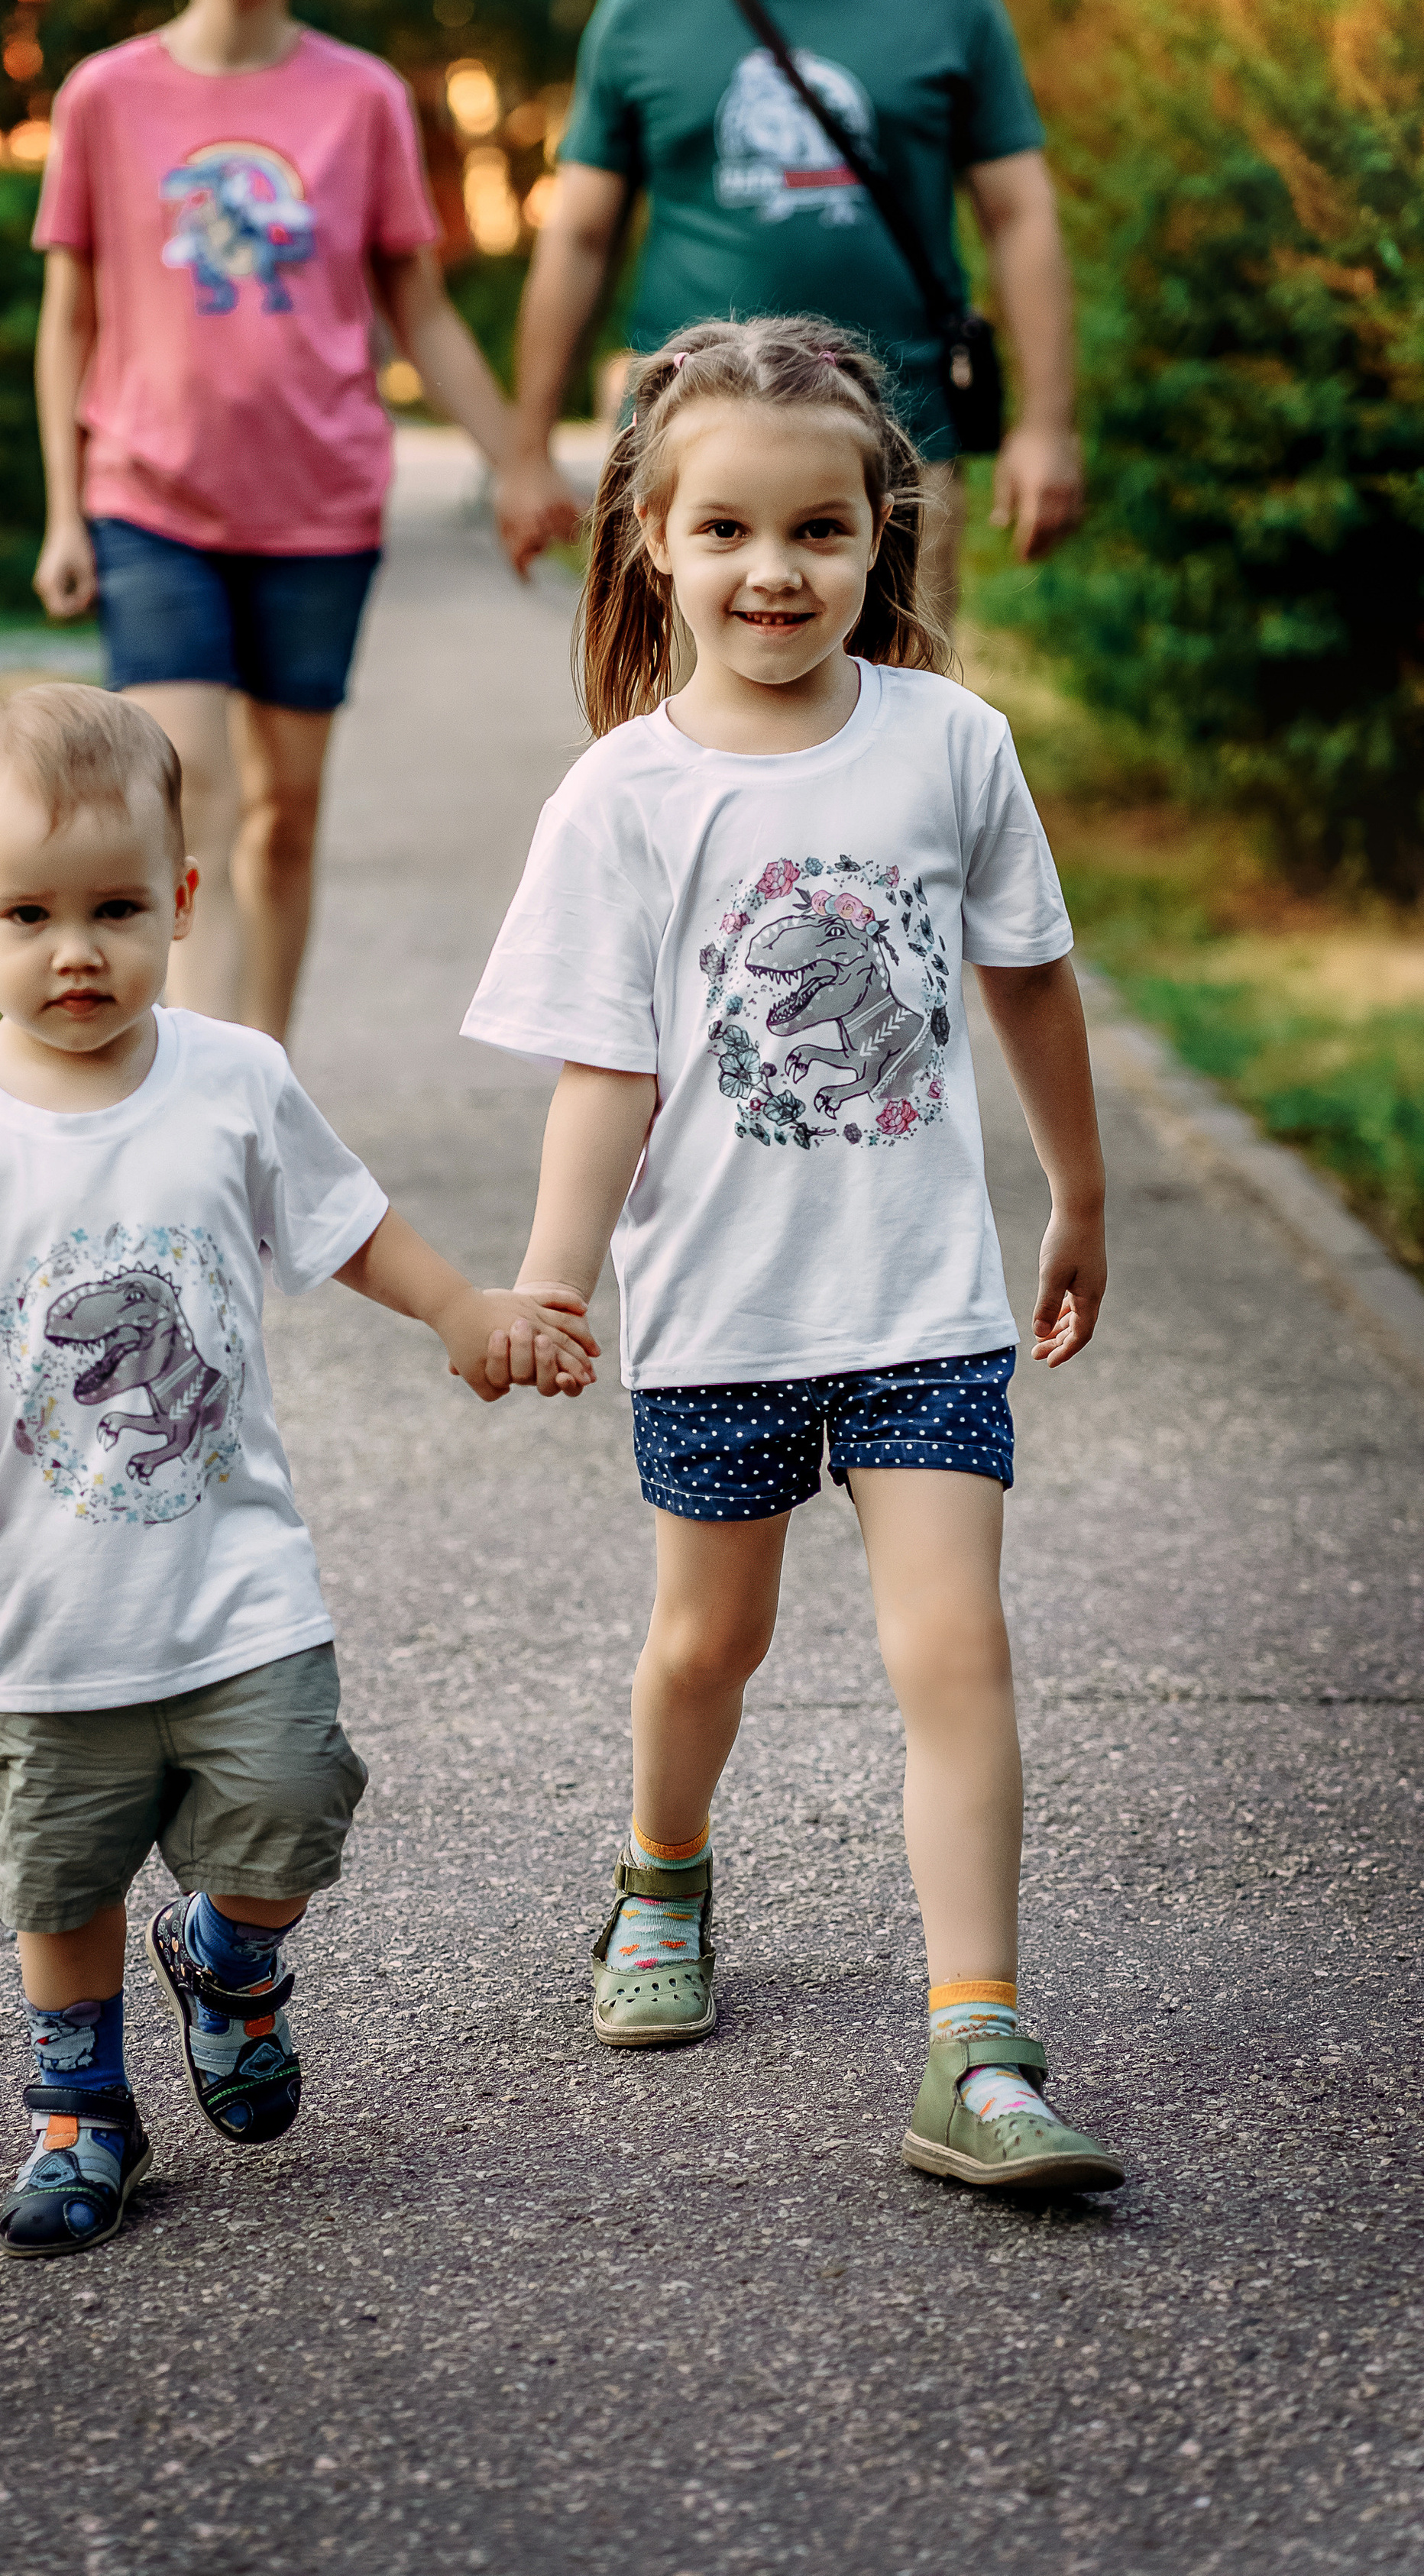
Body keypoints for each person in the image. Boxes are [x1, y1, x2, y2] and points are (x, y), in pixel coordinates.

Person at [0, 685, 594, 2258]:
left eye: (114, 909)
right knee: (63, 1878)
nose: (74, 951)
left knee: (291, 1808)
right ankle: (80, 2111)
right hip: (43, 1615)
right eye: (29, 915)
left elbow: (346, 1222)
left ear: (182, 900)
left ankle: (226, 1956)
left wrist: (460, 1310)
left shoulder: (231, 1079)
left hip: (235, 1586)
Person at [464, 319, 1123, 2191]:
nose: (775, 571)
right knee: (710, 1640)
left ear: (878, 533)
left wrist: (1076, 1192)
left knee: (952, 1646)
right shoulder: (623, 795)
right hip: (720, 1312)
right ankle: (660, 1873)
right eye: (728, 531)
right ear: (652, 541)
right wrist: (553, 1276)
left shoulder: (948, 742)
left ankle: (973, 2040)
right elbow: (605, 1068)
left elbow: (1026, 977)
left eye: (818, 530)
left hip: (920, 1303)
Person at [31, 0, 516, 1042]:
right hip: (151, 497)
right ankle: (202, 1089)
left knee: (285, 814)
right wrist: (65, 513)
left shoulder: (362, 99)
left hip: (319, 505)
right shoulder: (104, 96)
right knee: (186, 797)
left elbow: (420, 309)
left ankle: (266, 1074)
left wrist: (518, 460)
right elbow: (69, 318)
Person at [496, 0, 1083, 620]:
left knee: (895, 704)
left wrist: (1046, 426)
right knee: (683, 713)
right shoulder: (638, 13)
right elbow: (576, 236)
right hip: (684, 453)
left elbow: (1020, 216)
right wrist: (526, 448)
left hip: (897, 450)